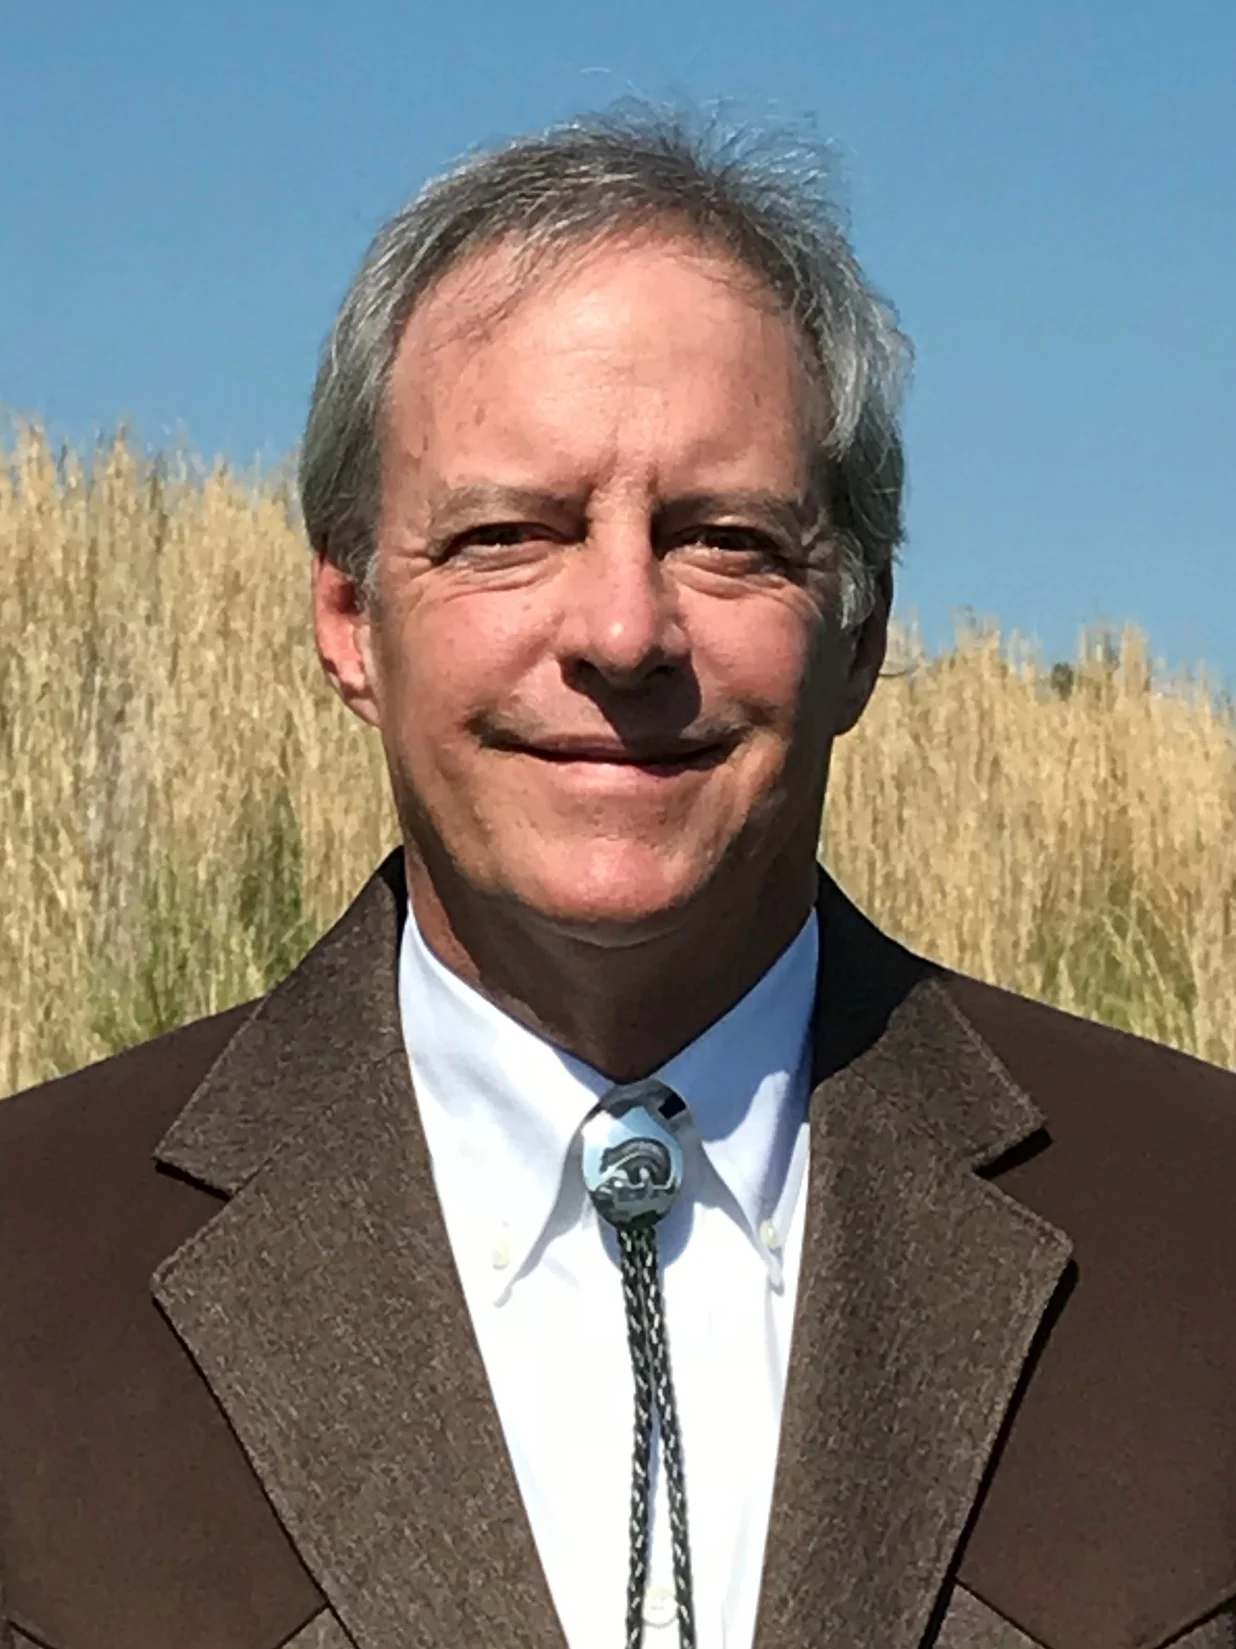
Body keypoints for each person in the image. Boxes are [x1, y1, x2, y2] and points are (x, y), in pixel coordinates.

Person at [2, 107, 1235, 1649]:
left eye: (724, 539)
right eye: (510, 534)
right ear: (347, 618)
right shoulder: (32, 1262)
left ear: (856, 632)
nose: (624, 633)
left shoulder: (1202, 1227)